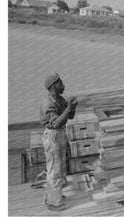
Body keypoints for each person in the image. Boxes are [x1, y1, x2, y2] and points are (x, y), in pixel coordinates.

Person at [39, 73, 77, 211]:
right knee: (54, 169)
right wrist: (68, 108)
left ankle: (54, 196)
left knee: (59, 167)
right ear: (54, 85)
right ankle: (54, 203)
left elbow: (70, 116)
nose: (64, 85)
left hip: (59, 134)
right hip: (52, 135)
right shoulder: (47, 103)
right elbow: (55, 123)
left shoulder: (60, 99)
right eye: (61, 83)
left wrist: (72, 106)